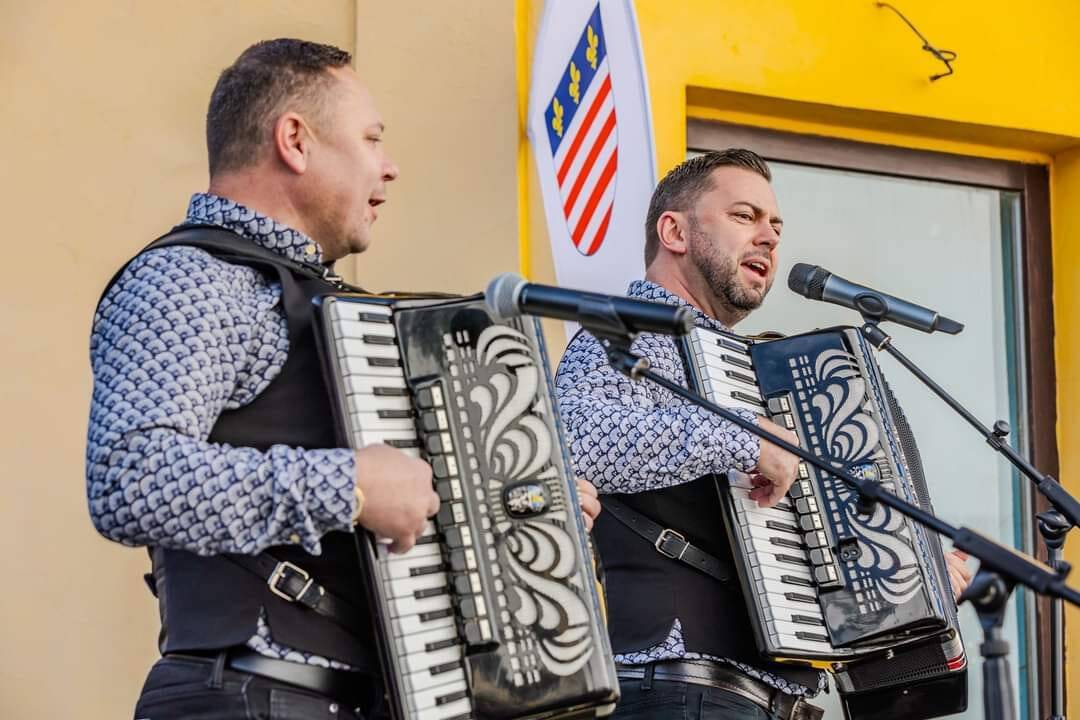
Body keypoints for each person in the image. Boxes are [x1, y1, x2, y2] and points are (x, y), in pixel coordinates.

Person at [86, 39, 601, 720]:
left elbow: (397, 517)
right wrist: (350, 486)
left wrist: (523, 509)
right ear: (295, 141)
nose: (389, 167)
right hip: (249, 698)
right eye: (370, 138)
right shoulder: (192, 277)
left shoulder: (339, 313)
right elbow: (129, 478)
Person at [554, 149, 972, 720]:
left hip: (774, 699)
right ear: (674, 232)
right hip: (679, 687)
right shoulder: (627, 331)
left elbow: (811, 549)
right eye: (744, 216)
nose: (770, 237)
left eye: (776, 225)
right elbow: (576, 442)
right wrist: (746, 438)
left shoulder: (755, 370)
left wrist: (913, 580)